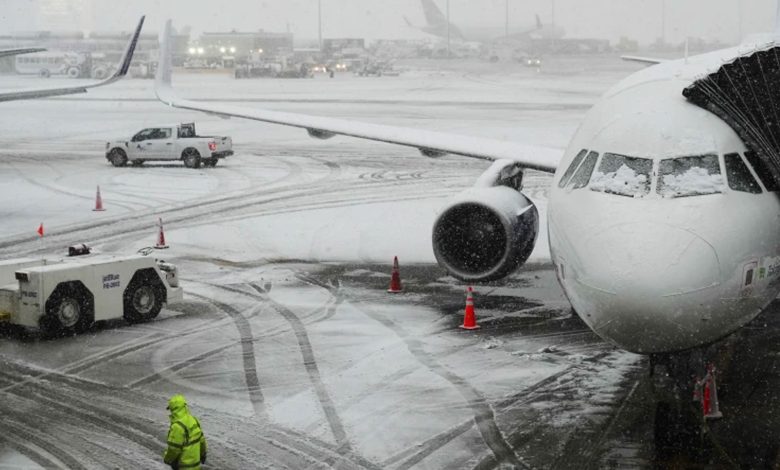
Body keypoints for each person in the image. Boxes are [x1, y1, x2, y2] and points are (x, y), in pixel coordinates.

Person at [163, 394, 207, 469]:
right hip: (196, 466)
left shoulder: (177, 426)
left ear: (173, 409)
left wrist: (168, 460)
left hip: (183, 467)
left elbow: (174, 448)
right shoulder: (194, 420)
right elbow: (201, 440)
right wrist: (203, 454)